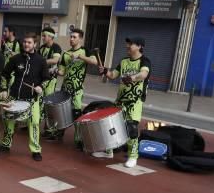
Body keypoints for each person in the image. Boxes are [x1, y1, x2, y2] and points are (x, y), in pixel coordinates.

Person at [97, 37, 151, 168]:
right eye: (127, 43)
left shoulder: (145, 61)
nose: (127, 46)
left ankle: (133, 157)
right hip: (120, 100)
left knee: (131, 128)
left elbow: (143, 74)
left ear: (139, 46)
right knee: (112, 125)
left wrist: (132, 77)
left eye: (131, 44)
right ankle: (109, 151)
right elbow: (113, 75)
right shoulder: (123, 61)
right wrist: (105, 71)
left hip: (135, 101)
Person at [0, 33, 49, 161]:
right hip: (14, 96)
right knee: (9, 122)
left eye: (29, 42)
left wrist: (41, 87)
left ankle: (36, 150)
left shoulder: (41, 61)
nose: (26, 44)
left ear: (35, 44)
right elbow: (5, 74)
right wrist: (3, 88)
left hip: (32, 99)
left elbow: (47, 78)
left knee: (34, 123)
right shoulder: (15, 59)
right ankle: (6, 145)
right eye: (25, 42)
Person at [56, 28, 98, 147]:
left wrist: (80, 57)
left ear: (80, 38)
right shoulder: (66, 53)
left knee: (76, 112)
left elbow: (94, 62)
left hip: (77, 88)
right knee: (62, 112)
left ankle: (78, 138)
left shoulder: (85, 50)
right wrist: (56, 70)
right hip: (65, 87)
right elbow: (62, 71)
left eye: (74, 37)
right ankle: (60, 133)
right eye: (71, 37)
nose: (71, 39)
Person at [38, 27, 63, 138]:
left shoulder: (56, 47)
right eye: (42, 35)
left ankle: (49, 129)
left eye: (44, 36)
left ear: (51, 37)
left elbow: (55, 60)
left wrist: (41, 63)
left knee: (49, 104)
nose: (43, 38)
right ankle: (34, 123)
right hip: (41, 79)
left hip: (51, 80)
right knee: (38, 102)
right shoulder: (42, 48)